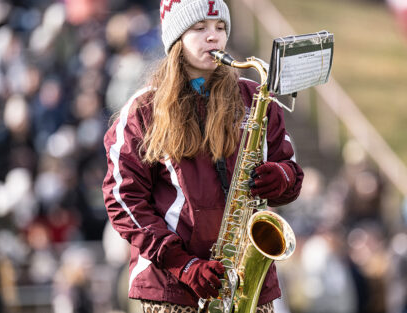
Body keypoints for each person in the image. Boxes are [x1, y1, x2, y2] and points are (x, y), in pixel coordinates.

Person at [101, 1, 304, 313]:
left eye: (220, 28)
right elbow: (123, 200)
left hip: (247, 285)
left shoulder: (257, 99)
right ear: (176, 39)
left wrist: (281, 177)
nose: (214, 37)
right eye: (199, 28)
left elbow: (291, 174)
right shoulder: (142, 112)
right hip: (172, 289)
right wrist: (182, 264)